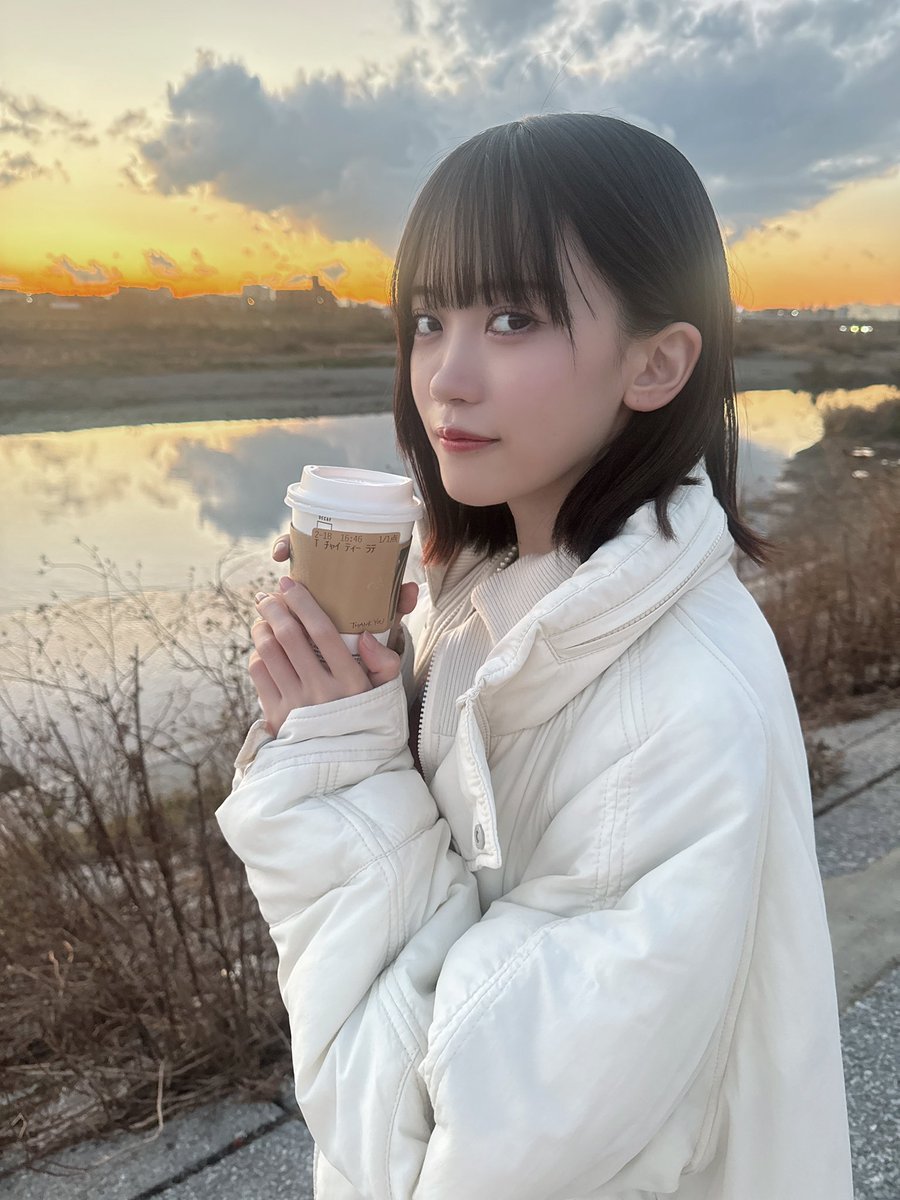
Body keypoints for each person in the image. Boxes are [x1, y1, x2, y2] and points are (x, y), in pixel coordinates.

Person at [215, 114, 853, 1199]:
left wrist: (343, 781)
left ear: (656, 363)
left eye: (512, 319)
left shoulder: (678, 708)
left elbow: (439, 1153)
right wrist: (368, 695)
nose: (445, 378)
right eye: (428, 320)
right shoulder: (502, 597)